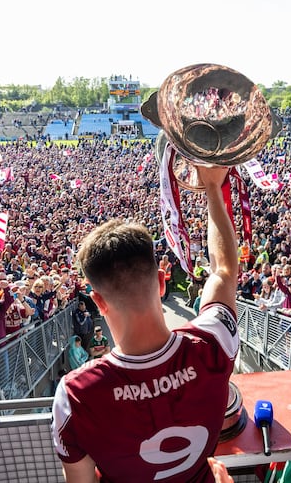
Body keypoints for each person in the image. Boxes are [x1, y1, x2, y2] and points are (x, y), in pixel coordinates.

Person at [51, 165, 239, 483]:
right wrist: (212, 187)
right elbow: (223, 270)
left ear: (98, 302)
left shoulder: (74, 396)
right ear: (162, 282)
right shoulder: (213, 342)